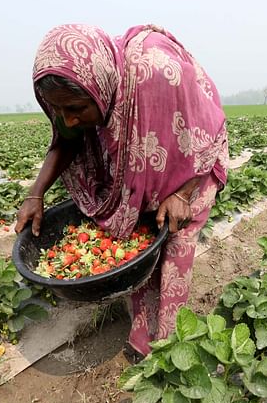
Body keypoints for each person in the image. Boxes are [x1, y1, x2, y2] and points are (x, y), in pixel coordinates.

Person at [14, 24, 228, 356]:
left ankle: (171, 348)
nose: (68, 120)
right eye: (59, 110)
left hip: (191, 167)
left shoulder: (158, 71)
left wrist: (183, 194)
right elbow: (65, 141)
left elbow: (209, 131)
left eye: (75, 109)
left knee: (173, 255)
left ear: (99, 88)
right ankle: (143, 335)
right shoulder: (76, 92)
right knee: (138, 255)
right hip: (139, 173)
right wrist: (35, 193)